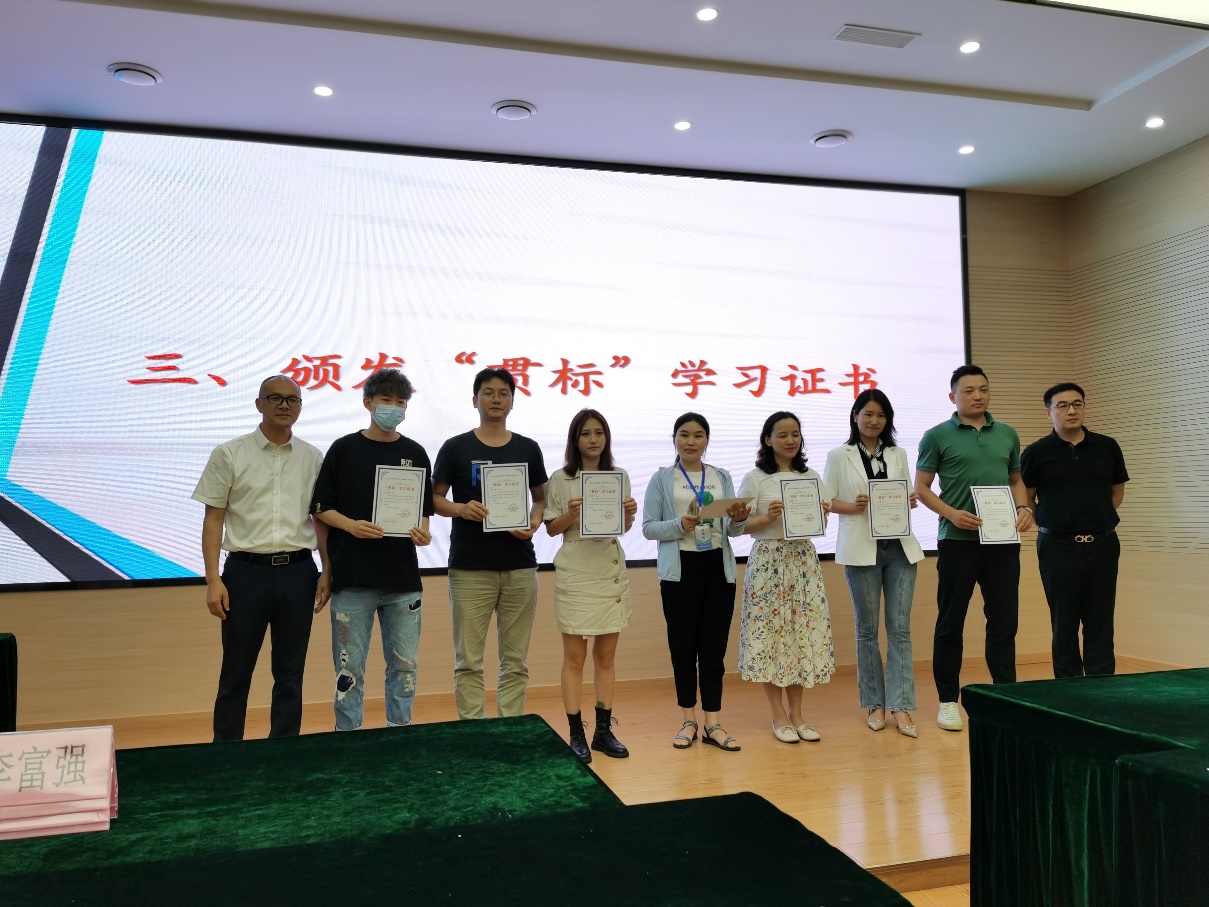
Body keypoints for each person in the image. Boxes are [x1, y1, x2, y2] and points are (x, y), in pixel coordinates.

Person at [192, 375, 329, 742]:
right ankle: (228, 753)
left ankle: (283, 752)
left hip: (298, 573)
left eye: (292, 399)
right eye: (275, 398)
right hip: (244, 574)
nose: (284, 405)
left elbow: (320, 519)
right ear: (259, 404)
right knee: (235, 673)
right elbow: (213, 520)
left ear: (300, 407)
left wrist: (327, 570)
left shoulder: (312, 457)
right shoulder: (229, 453)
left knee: (290, 674)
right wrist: (212, 580)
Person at [310, 368, 434, 730]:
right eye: (386, 400)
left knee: (405, 667)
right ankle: (348, 739)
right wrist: (351, 525)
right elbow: (320, 507)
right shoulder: (344, 449)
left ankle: (399, 734)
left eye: (401, 402)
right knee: (349, 670)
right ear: (368, 403)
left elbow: (423, 511)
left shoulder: (415, 452)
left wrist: (423, 533)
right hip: (352, 579)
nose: (394, 407)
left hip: (403, 581)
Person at [915, 365, 1033, 732]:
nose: (978, 396)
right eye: (968, 390)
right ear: (953, 397)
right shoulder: (936, 436)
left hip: (1001, 542)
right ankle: (948, 701)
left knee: (1004, 622)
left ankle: (1006, 697)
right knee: (951, 623)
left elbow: (1016, 479)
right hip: (957, 542)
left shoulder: (1008, 433)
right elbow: (922, 489)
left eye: (983, 389)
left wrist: (1025, 507)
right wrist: (952, 513)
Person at [432, 367, 548, 720]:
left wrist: (534, 522)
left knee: (516, 661)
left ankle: (509, 729)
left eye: (503, 393)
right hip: (470, 567)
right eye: (488, 392)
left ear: (512, 401)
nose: (496, 399)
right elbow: (434, 499)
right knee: (468, 661)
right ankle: (474, 732)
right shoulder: (455, 447)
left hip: (519, 566)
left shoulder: (528, 448)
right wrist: (461, 509)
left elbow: (541, 498)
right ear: (475, 400)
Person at [642, 412, 751, 752]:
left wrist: (740, 518)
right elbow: (648, 528)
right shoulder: (662, 478)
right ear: (674, 438)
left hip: (717, 569)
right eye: (684, 434)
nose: (691, 441)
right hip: (680, 571)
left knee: (714, 651)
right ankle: (688, 721)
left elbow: (732, 529)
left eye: (699, 435)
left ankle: (712, 724)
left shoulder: (721, 476)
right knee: (683, 649)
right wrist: (679, 524)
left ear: (707, 440)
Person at [824, 390, 925, 738]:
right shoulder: (838, 455)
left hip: (899, 549)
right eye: (868, 414)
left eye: (881, 415)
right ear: (855, 416)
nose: (874, 421)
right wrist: (853, 506)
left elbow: (905, 493)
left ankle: (901, 705)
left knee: (900, 629)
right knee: (866, 630)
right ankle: (874, 703)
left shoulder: (898, 453)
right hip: (861, 549)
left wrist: (908, 500)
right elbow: (826, 501)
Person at [543, 409, 637, 763]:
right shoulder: (560, 478)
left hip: (608, 567)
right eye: (586, 433)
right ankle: (576, 733)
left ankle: (603, 732)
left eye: (599, 433)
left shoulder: (618, 476)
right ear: (575, 439)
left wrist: (628, 514)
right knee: (575, 658)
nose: (593, 439)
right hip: (576, 569)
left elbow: (621, 528)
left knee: (606, 658)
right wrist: (571, 513)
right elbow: (552, 529)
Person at [738, 411, 835, 744]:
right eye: (782, 435)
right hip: (769, 561)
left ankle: (798, 715)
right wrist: (766, 518)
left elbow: (820, 521)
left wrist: (822, 514)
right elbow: (738, 527)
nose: (790, 440)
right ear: (768, 440)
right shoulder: (755, 478)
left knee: (800, 634)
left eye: (795, 434)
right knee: (771, 636)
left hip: (803, 561)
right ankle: (778, 715)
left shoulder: (810, 476)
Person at [1021, 382, 1128, 678]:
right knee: (1064, 622)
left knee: (1101, 621)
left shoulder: (1107, 446)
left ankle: (1101, 687)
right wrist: (1053, 521)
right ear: (1048, 413)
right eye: (1063, 405)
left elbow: (1116, 491)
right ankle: (1068, 689)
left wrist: (1095, 518)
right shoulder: (1036, 452)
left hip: (1103, 544)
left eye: (1077, 404)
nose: (1072, 410)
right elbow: (1027, 497)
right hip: (1057, 547)